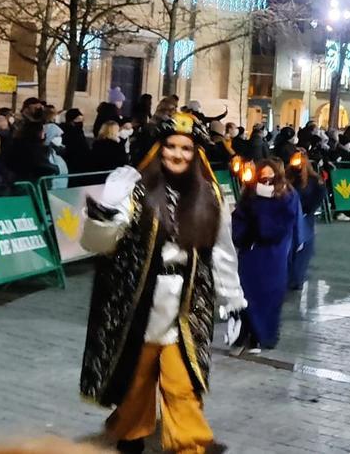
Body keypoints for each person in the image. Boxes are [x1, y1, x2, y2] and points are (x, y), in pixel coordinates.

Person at [78, 111, 246, 454]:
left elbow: (222, 251)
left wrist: (233, 301)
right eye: (171, 146)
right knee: (136, 380)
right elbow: (97, 244)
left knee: (182, 381)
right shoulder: (135, 190)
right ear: (160, 148)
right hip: (138, 301)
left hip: (186, 304)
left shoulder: (210, 196)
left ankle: (191, 445)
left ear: (196, 152)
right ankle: (130, 432)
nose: (178, 154)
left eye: (186, 148)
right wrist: (107, 208)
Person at [230, 159, 300, 353]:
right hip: (251, 252)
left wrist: (261, 222)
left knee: (269, 295)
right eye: (263, 177)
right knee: (246, 293)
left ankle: (263, 336)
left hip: (272, 254)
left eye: (270, 178)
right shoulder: (250, 195)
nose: (266, 182)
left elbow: (282, 225)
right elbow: (239, 218)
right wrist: (244, 236)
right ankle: (246, 334)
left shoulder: (287, 195)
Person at [286, 149, 325, 290]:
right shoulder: (288, 177)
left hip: (304, 218)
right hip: (290, 217)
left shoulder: (314, 180)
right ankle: (288, 278)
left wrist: (308, 210)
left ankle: (296, 279)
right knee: (289, 249)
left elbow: (320, 195)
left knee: (303, 248)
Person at [62, 109, 92, 174]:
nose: (81, 122)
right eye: (78, 119)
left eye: (82, 120)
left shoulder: (79, 131)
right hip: (73, 163)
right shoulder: (69, 132)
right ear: (71, 120)